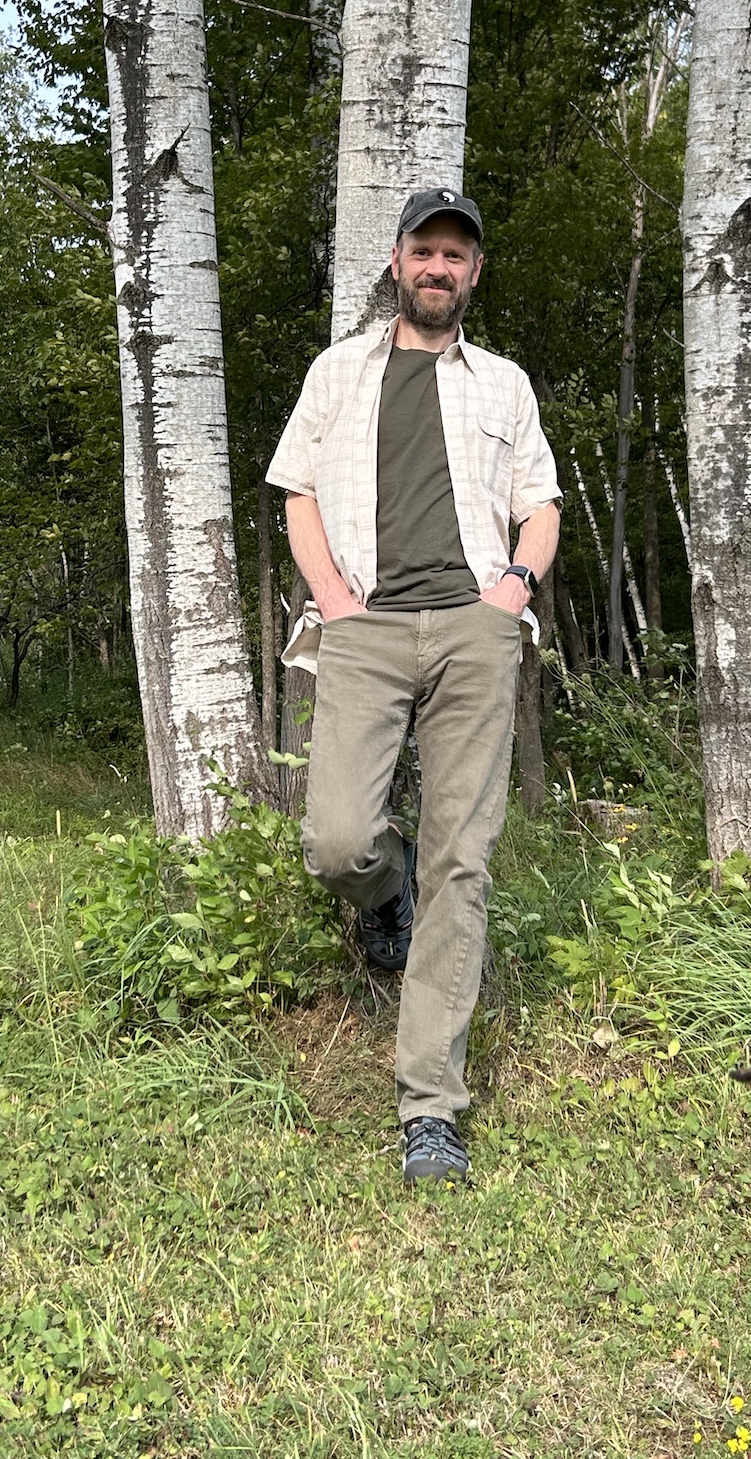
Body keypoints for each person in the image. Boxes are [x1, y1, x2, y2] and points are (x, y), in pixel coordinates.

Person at [266, 187, 561, 1185]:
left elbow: (540, 505)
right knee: (341, 839)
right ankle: (380, 892)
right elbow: (297, 493)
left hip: (476, 633)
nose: (438, 268)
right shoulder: (338, 373)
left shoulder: (504, 386)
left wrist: (511, 587)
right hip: (364, 628)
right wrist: (334, 600)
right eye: (424, 251)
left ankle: (429, 1106)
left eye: (456, 256)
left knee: (462, 860)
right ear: (396, 261)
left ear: (473, 274)